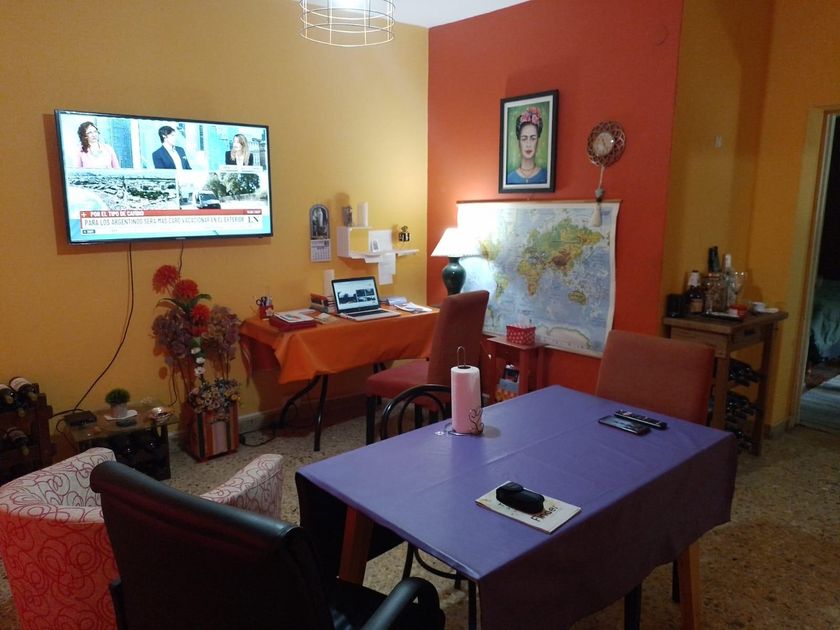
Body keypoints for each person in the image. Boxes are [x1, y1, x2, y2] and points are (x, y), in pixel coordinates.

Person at [506, 107, 547, 185]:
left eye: (533, 138)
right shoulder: (509, 178)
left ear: (538, 141)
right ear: (519, 142)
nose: (528, 144)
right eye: (524, 139)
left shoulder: (545, 176)